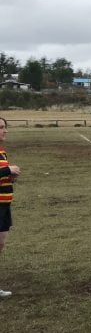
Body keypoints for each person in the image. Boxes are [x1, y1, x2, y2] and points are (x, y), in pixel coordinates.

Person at [0, 117, 21, 299]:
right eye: (1, 128)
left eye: (5, 127)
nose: (5, 131)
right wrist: (8, 171)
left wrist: (10, 177)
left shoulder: (2, 152)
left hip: (5, 204)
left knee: (1, 243)